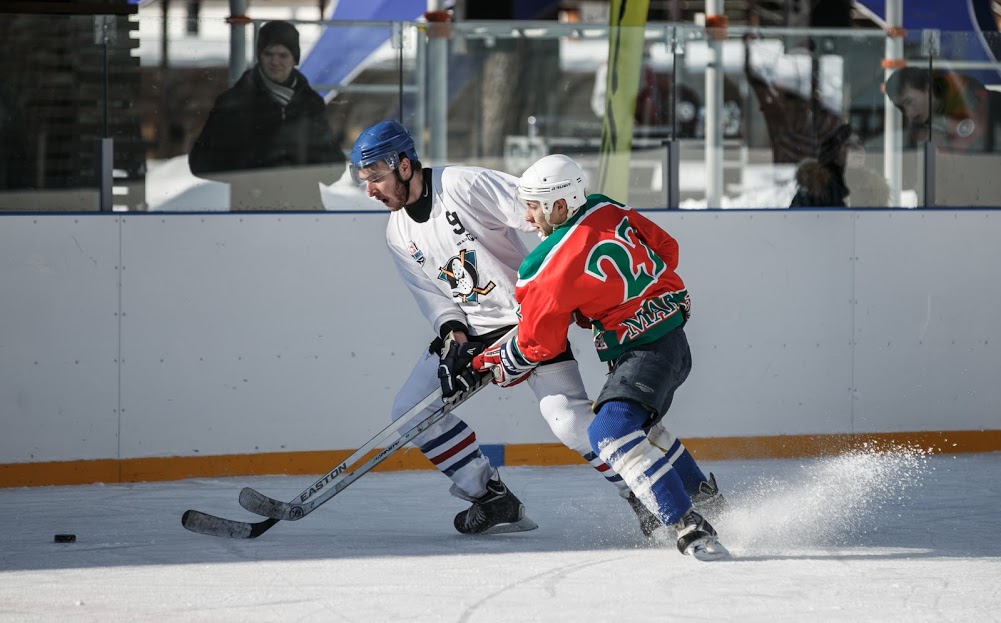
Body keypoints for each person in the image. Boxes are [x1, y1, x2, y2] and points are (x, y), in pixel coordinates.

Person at [348, 120, 712, 537]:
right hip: (472, 333)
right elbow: (431, 294)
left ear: (405, 165)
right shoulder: (397, 232)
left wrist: (563, 287)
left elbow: (537, 211)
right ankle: (490, 497)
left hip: (528, 319)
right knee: (411, 410)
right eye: (366, 181)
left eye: (376, 178)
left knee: (568, 421)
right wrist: (454, 337)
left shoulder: (461, 185)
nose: (371, 190)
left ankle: (640, 493)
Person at [464, 154, 729, 560]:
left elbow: (540, 345)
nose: (528, 217)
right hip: (671, 339)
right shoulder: (607, 207)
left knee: (609, 431)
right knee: (648, 429)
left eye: (534, 206)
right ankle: (704, 495)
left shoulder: (545, 265)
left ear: (559, 205)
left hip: (645, 352)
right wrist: (615, 298)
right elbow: (666, 250)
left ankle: (687, 523)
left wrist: (495, 363)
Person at [188, 21, 343, 208]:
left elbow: (333, 169)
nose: (275, 62)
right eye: (268, 54)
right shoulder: (234, 103)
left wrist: (306, 158)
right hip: (252, 213)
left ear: (295, 58)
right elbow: (200, 163)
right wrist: (255, 163)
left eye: (283, 55)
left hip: (304, 213)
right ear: (259, 56)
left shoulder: (311, 104)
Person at [885, 67, 1001, 153]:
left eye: (909, 102)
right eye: (901, 108)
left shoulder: (982, 102)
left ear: (927, 87)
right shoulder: (918, 131)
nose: (908, 113)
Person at [789, 123, 863, 208]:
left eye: (859, 143)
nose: (856, 149)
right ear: (834, 152)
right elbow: (796, 218)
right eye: (848, 145)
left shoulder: (870, 184)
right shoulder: (816, 186)